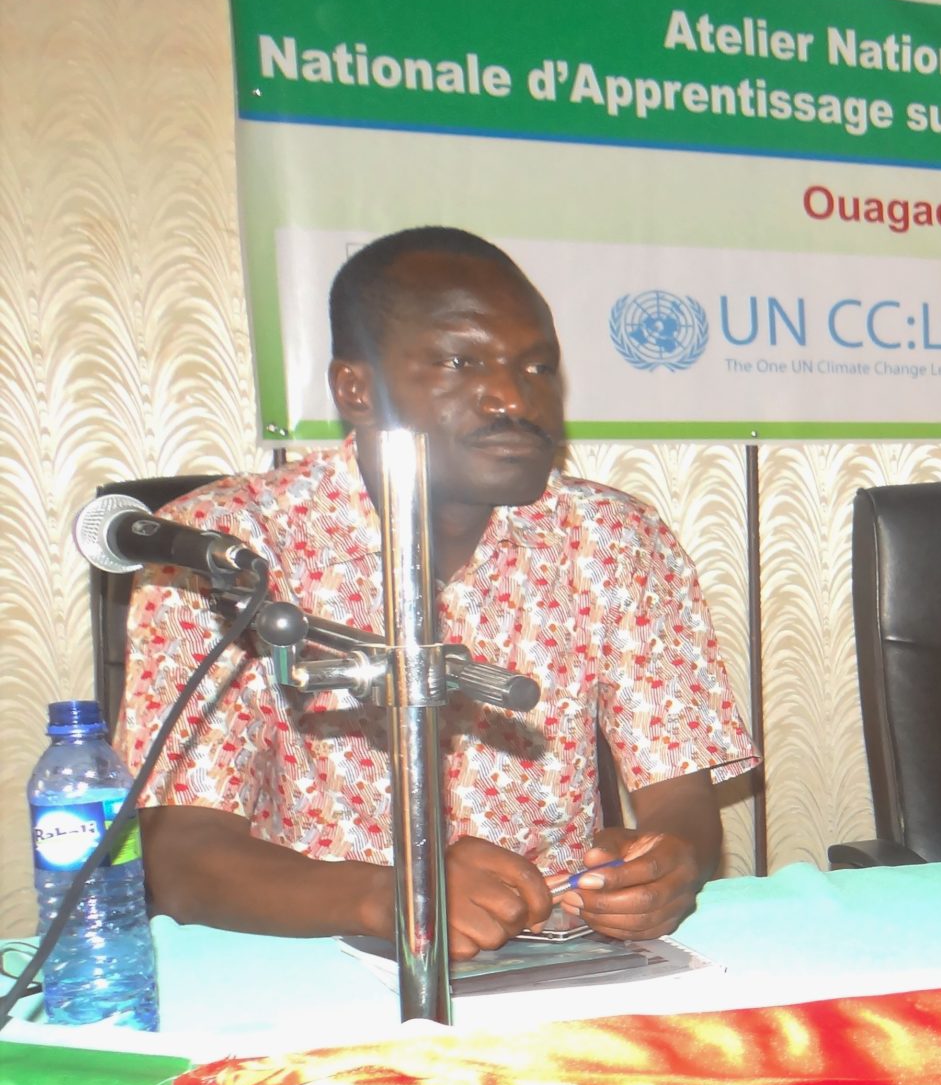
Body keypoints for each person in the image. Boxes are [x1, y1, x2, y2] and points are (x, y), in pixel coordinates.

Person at [118, 225, 756, 957]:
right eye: (462, 362)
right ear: (355, 389)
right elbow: (182, 857)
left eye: (539, 366)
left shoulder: (615, 537)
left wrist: (662, 868)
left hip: (558, 951)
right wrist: (398, 896)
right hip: (309, 949)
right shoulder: (222, 547)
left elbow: (680, 800)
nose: (515, 397)